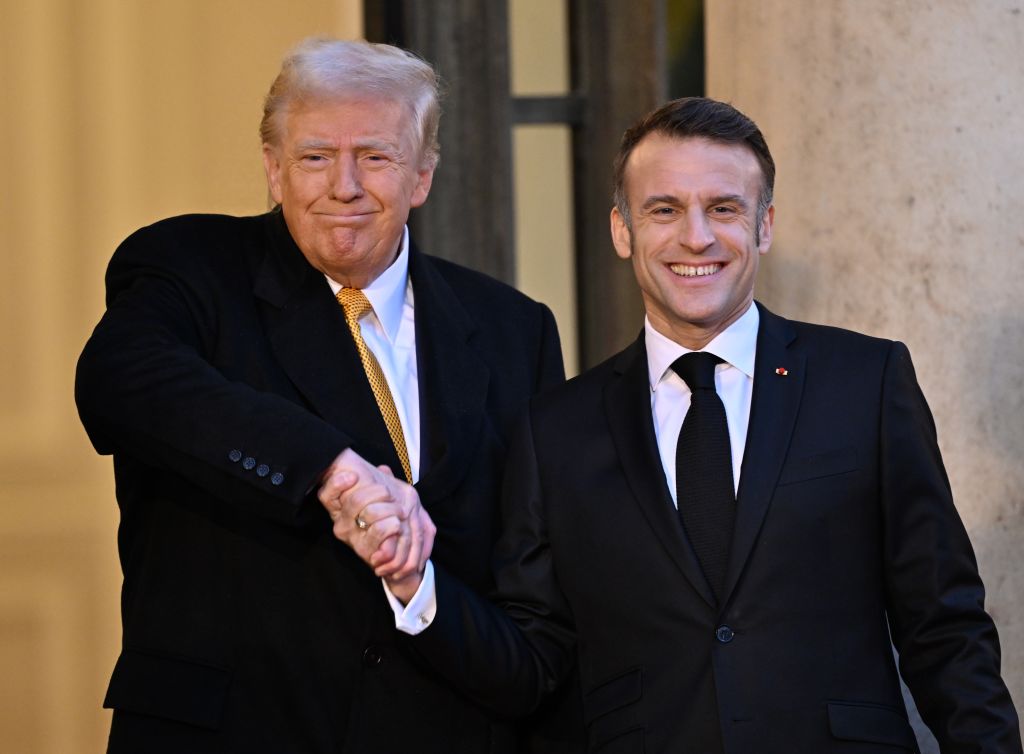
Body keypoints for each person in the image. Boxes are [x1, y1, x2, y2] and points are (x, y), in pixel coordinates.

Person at [329, 97, 1023, 752]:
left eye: (724, 207)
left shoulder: (866, 382)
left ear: (765, 225)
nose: (697, 236)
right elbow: (535, 662)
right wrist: (418, 586)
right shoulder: (555, 432)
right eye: (664, 209)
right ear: (622, 231)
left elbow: (944, 625)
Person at [75, 37, 568, 753]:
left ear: (422, 176)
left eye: (375, 156)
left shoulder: (513, 330)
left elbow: (527, 591)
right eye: (314, 157)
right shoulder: (190, 267)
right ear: (274, 170)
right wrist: (335, 473)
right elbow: (119, 380)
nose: (344, 185)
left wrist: (420, 591)